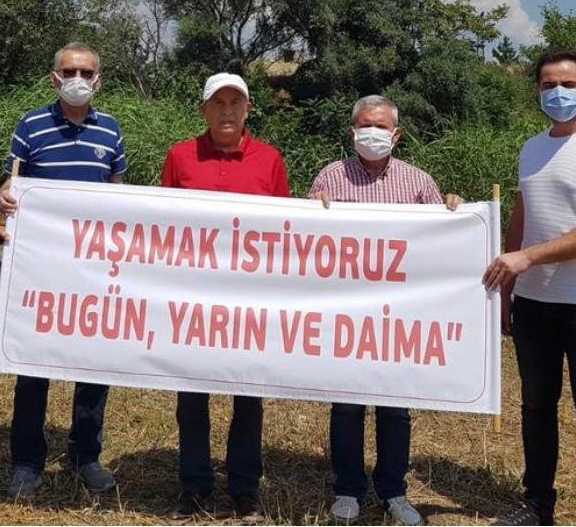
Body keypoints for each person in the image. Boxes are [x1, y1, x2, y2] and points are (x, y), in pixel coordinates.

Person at [484, 50, 576, 527]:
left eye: (568, 84)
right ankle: (536, 506)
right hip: (534, 303)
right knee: (536, 408)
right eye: (549, 84)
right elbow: (522, 219)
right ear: (537, 90)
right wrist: (508, 287)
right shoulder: (531, 149)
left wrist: (528, 258)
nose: (558, 92)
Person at [309, 94, 462, 526]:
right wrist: (313, 209)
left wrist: (456, 211)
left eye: (380, 126)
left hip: (399, 315)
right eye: (364, 125)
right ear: (352, 131)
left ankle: (393, 491)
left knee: (395, 407)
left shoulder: (419, 183)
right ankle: (348, 489)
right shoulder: (330, 179)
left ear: (397, 134)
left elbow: (444, 243)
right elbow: (309, 243)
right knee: (347, 406)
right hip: (346, 312)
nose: (372, 133)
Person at [0, 42, 126, 498]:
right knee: (33, 366)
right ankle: (26, 463)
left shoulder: (111, 130)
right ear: (55, 78)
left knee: (93, 365)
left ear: (98, 80)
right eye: (69, 71)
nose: (78, 78)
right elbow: (12, 184)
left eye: (86, 72)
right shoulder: (30, 125)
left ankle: (85, 455)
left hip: (94, 270)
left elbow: (119, 192)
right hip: (41, 269)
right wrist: (4, 199)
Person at [161, 72, 290, 522]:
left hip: (249, 301)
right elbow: (161, 223)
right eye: (218, 102)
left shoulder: (270, 159)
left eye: (236, 102)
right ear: (204, 109)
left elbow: (287, 231)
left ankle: (244, 489)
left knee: (248, 398)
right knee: (191, 398)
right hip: (192, 298)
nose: (228, 110)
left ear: (248, 109)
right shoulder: (180, 156)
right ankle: (194, 487)